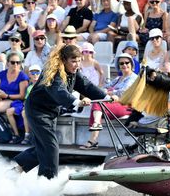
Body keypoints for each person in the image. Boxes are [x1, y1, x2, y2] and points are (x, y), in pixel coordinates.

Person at [13, 44, 112, 179]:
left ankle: (16, 170)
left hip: (50, 112)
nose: (77, 64)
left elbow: (86, 86)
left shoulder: (74, 72)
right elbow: (59, 92)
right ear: (64, 60)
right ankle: (46, 182)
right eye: (73, 61)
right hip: (37, 111)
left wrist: (106, 97)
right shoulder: (54, 73)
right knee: (51, 146)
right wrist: (77, 102)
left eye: (79, 60)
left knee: (43, 146)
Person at [80, 53, 137, 150]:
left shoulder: (133, 77)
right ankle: (95, 130)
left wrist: (109, 91)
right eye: (121, 63)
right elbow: (104, 88)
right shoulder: (118, 78)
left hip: (126, 105)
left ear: (131, 64)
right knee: (98, 103)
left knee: (98, 104)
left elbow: (122, 92)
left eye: (127, 62)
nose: (124, 65)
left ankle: (94, 138)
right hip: (115, 102)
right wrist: (109, 91)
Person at [0, 52, 29, 136]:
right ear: (7, 63)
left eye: (18, 62)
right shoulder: (2, 74)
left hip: (13, 100)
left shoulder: (22, 77)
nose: (16, 64)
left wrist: (6, 96)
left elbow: (22, 96)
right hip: (0, 97)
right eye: (13, 62)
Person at [20, 65, 42, 145]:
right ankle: (27, 135)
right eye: (33, 73)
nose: (35, 75)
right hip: (32, 108)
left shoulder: (43, 85)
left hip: (42, 108)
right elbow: (26, 100)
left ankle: (36, 136)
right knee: (24, 112)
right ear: (29, 75)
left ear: (41, 74)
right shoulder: (29, 87)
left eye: (37, 73)